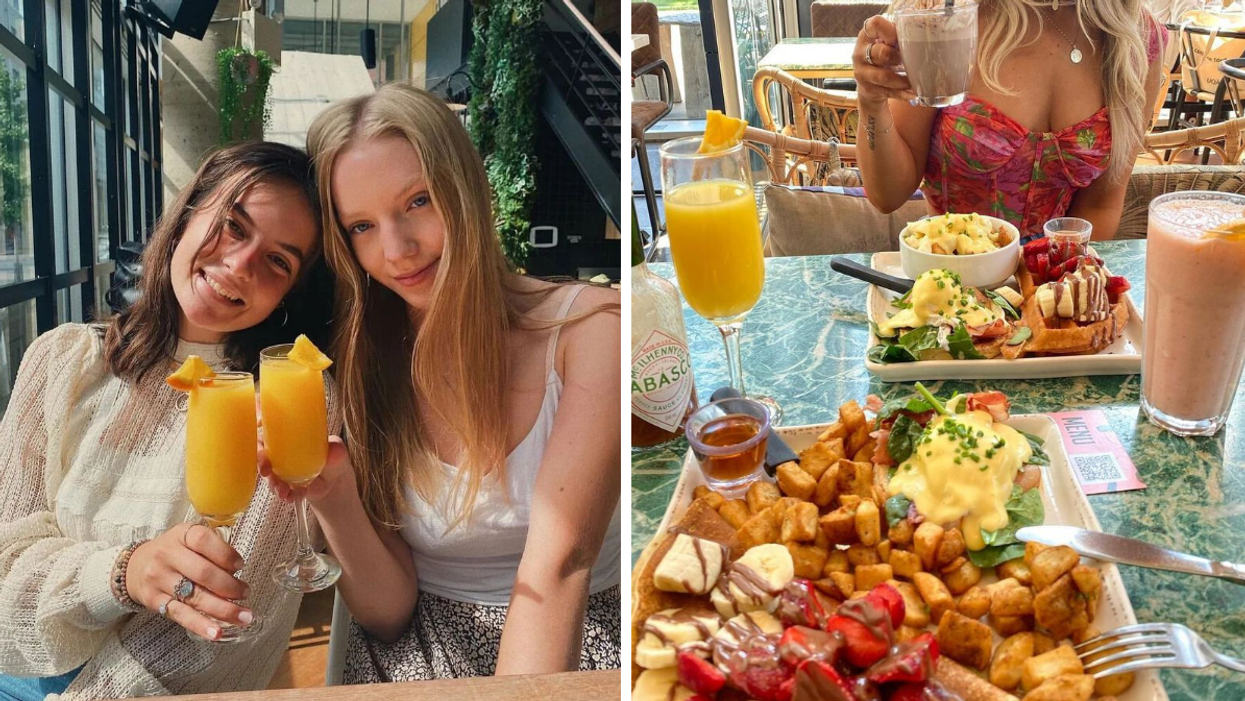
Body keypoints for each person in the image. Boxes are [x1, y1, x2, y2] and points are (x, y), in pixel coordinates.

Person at [264, 82, 621, 681]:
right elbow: (385, 614)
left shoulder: (590, 333)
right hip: (415, 652)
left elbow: (558, 570)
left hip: (568, 640)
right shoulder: (357, 361)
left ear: (465, 188)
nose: (398, 249)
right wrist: (335, 494)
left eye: (418, 201)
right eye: (361, 227)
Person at [0, 142, 337, 699]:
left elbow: (221, 627)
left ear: (289, 293)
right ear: (185, 215)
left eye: (279, 260)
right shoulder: (60, 360)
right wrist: (122, 574)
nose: (239, 264)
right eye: (232, 226)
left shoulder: (285, 396)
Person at [853, 0, 1168, 241]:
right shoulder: (943, 12)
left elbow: (1101, 205)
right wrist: (872, 102)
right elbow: (887, 196)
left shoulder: (1135, 38)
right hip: (951, 284)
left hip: (1056, 286)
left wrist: (1048, 291)